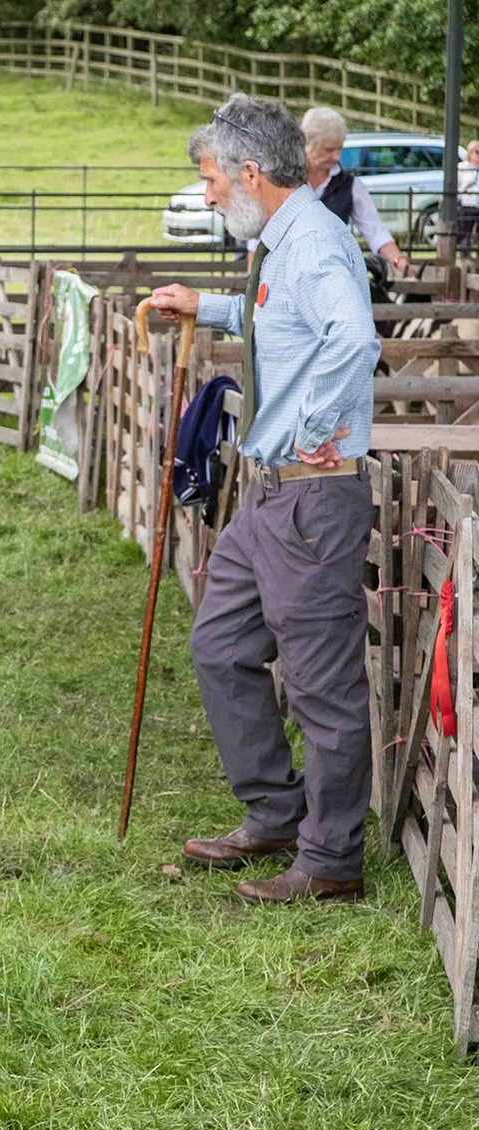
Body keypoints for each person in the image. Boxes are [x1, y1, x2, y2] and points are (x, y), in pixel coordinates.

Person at [147, 95, 382, 905]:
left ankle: (330, 860)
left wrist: (317, 423)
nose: (208, 193)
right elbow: (278, 321)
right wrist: (204, 306)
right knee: (219, 645)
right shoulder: (284, 241)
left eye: (212, 179)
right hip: (269, 493)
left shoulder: (313, 241)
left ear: (251, 173)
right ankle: (277, 812)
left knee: (321, 685)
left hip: (311, 493)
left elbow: (354, 336)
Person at [295, 107, 413, 275]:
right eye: (329, 150)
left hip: (331, 272)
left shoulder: (350, 185)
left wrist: (399, 261)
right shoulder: (287, 181)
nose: (336, 157)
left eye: (339, 149)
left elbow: (374, 230)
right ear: (308, 145)